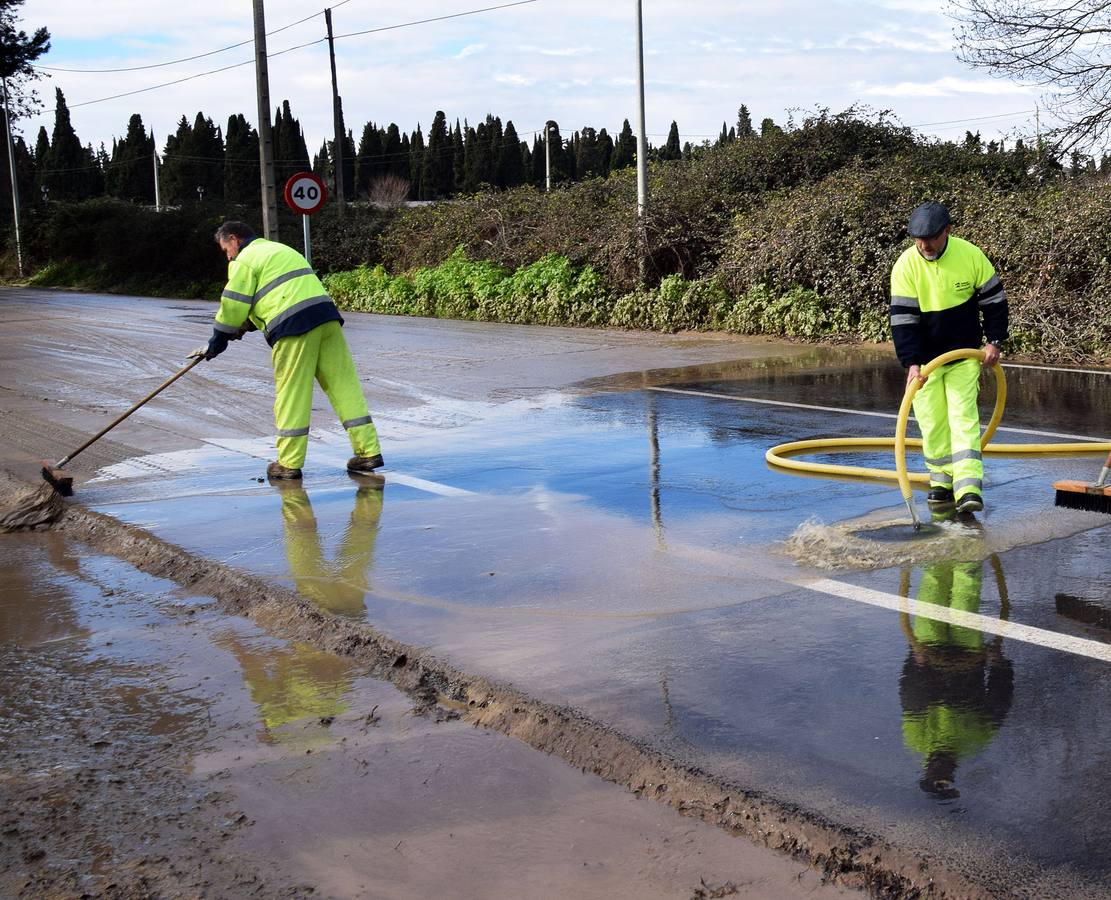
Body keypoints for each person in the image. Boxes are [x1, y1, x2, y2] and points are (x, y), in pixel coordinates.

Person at [190, 221, 383, 481]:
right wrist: (246, 326)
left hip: (294, 329)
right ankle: (368, 451)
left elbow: (233, 304)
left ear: (234, 239)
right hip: (326, 319)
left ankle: (288, 463)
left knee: (292, 393)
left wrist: (218, 340)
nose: (227, 255)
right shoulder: (279, 250)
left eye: (226, 249)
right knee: (344, 386)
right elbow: (277, 295)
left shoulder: (245, 260)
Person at [890, 202, 1008, 514]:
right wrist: (911, 363)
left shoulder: (970, 255)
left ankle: (968, 487)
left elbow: (995, 301)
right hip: (926, 362)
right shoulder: (905, 266)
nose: (924, 244)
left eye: (930, 237)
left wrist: (994, 341)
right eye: (918, 239)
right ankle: (941, 480)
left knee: (962, 416)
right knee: (931, 422)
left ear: (947, 231)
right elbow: (903, 319)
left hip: (964, 355)